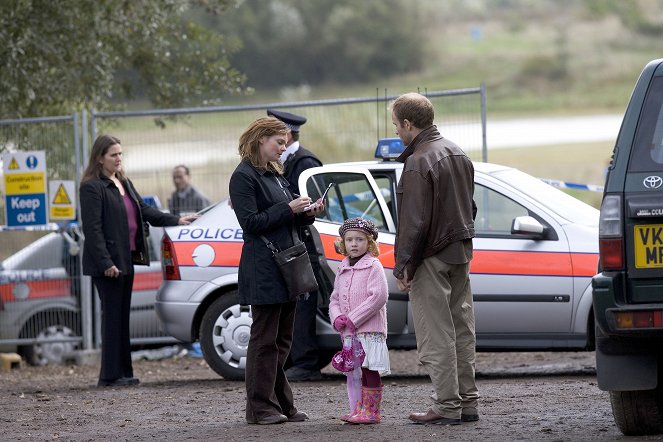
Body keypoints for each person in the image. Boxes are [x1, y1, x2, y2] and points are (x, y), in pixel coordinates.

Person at [228, 116, 325, 425]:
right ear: (260, 140)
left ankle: (281, 403)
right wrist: (289, 208)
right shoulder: (243, 176)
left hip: (286, 265)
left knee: (283, 341)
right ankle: (259, 408)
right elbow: (251, 223)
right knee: (264, 339)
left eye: (285, 143)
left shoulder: (273, 174)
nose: (284, 148)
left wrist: (307, 214)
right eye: (279, 142)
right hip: (264, 268)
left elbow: (286, 219)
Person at [390, 93, 480, 425]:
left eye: (397, 125)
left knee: (437, 334)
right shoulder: (458, 152)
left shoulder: (418, 161)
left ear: (409, 124)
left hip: (431, 256)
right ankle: (468, 403)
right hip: (460, 252)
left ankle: (446, 406)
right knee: (461, 329)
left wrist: (403, 265)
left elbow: (413, 222)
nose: (397, 131)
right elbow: (470, 207)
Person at [80, 134, 196, 388]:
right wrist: (105, 263)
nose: (119, 159)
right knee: (112, 318)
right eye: (113, 155)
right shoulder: (92, 187)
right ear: (100, 158)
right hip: (108, 265)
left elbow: (145, 211)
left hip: (126, 260)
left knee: (121, 317)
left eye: (120, 154)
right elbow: (93, 230)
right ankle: (109, 376)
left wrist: (176, 220)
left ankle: (123, 372)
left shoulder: (123, 182)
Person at [267, 109, 325, 382]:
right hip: (288, 243)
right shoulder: (282, 162)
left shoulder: (304, 162)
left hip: (303, 242)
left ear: (286, 135)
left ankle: (305, 361)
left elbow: (308, 203)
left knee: (303, 306)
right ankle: (293, 359)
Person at [328, 217, 389, 424]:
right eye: (350, 240)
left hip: (369, 330)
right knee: (354, 371)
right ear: (343, 243)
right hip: (349, 332)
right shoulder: (342, 268)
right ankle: (357, 409)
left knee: (369, 368)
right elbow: (335, 298)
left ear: (369, 243)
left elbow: (378, 297)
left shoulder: (373, 266)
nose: (354, 244)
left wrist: (353, 318)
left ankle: (372, 412)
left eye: (360, 240)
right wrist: (337, 318)